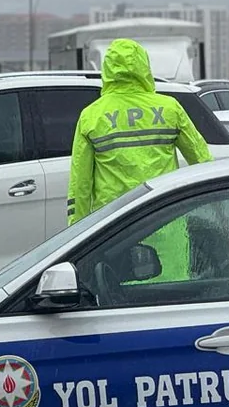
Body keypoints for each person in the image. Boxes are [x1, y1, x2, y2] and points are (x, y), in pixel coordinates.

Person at [67, 39, 213, 278]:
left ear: (107, 70)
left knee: (120, 299)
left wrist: (76, 239)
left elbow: (80, 187)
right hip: (167, 222)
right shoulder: (169, 109)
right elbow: (203, 162)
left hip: (114, 229)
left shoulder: (91, 116)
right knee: (172, 295)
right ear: (144, 67)